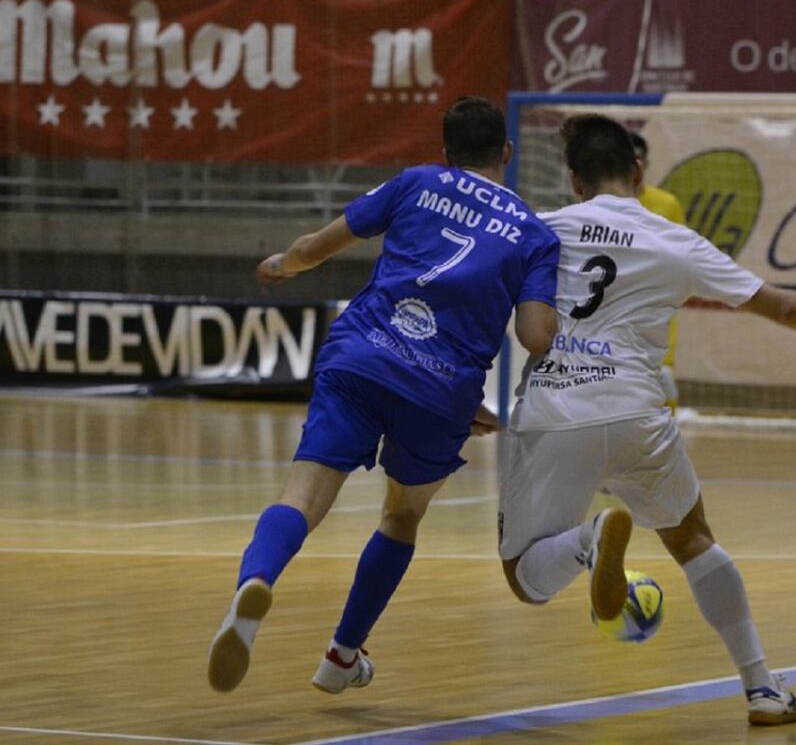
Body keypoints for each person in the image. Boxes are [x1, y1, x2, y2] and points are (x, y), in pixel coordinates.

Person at [498, 114, 796, 726]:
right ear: (638, 172)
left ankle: (587, 542)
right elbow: (783, 307)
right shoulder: (675, 240)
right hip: (638, 410)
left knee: (526, 579)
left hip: (556, 410)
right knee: (691, 538)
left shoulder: (540, 230)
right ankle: (762, 689)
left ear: (573, 181)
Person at [208, 96, 559, 695]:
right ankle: (342, 655)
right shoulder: (534, 234)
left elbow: (317, 247)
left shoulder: (417, 182)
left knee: (304, 494)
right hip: (442, 390)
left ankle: (256, 579)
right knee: (402, 515)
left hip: (363, 355)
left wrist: (282, 265)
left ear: (445, 152)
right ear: (506, 152)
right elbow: (534, 336)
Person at [629, 132, 685, 409]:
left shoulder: (667, 204)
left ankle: (663, 445)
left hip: (657, 308)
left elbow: (682, 255)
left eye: (638, 160)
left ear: (645, 164)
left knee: (662, 378)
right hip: (616, 308)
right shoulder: (598, 206)